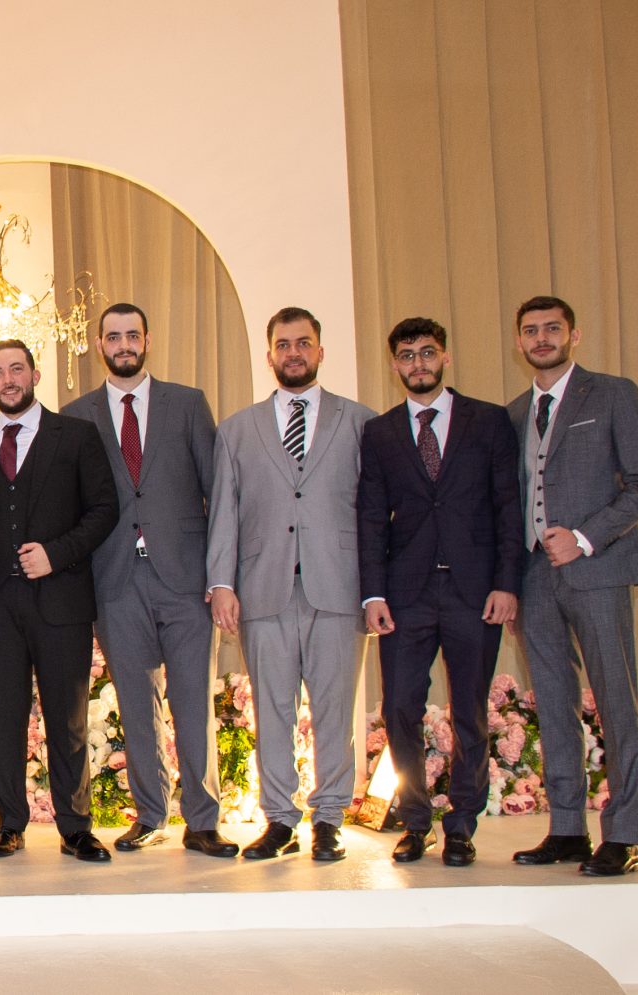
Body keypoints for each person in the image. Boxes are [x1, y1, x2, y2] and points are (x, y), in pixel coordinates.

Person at [61, 303, 237, 858]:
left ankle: (203, 821)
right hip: (114, 580)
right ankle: (151, 814)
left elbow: (220, 495)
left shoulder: (187, 404)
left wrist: (221, 577)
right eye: (113, 337)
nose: (123, 345)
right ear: (99, 345)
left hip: (186, 578)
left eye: (132, 335)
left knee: (193, 703)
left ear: (147, 340)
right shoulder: (76, 415)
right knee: (137, 705)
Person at [207, 306, 375, 863]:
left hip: (338, 586)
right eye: (284, 344)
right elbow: (224, 513)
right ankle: (280, 819)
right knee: (272, 711)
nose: (294, 353)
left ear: (320, 351)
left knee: (334, 710)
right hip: (263, 588)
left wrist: (376, 588)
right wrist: (221, 582)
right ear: (270, 354)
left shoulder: (360, 422)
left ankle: (330, 818)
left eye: (303, 343)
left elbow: (376, 513)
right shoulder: (237, 430)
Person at [505, 295, 638, 878]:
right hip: (534, 578)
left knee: (615, 699)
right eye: (531, 331)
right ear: (519, 342)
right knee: (553, 703)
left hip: (598, 570)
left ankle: (623, 835)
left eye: (553, 328)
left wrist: (585, 538)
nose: (541, 338)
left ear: (574, 335)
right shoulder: (514, 413)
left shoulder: (613, 394)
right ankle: (568, 828)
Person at [357, 317, 521, 867]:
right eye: (407, 356)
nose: (418, 364)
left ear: (445, 357)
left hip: (475, 592)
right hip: (406, 595)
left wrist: (506, 583)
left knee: (470, 710)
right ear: (395, 365)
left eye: (427, 353)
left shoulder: (488, 421)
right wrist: (373, 595)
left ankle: (462, 826)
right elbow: (371, 519)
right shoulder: (380, 433)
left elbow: (508, 507)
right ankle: (415, 822)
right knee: (400, 708)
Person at [0, 340, 119, 862]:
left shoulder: (76, 435)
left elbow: (104, 510)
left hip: (61, 601)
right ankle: (9, 824)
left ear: (34, 374)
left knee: (67, 720)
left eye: (16, 369)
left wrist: (57, 554)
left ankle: (75, 827)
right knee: (4, 720)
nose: (7, 380)